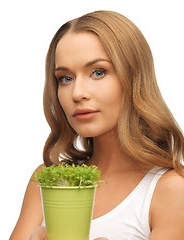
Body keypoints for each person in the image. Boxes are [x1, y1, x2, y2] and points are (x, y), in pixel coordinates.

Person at [10, 10, 184, 240]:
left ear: (133, 78)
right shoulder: (47, 180)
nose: (77, 93)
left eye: (98, 72)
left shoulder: (170, 192)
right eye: (65, 78)